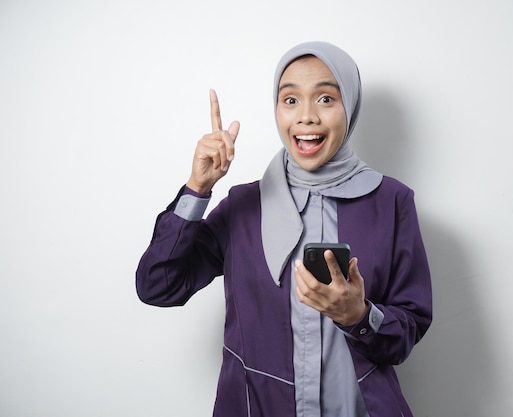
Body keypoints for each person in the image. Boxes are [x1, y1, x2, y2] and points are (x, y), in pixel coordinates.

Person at [136, 41, 432, 417]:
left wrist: (359, 316)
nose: (306, 116)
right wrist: (198, 188)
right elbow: (158, 286)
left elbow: (408, 329)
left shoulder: (391, 201)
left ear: (351, 106)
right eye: (290, 100)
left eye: (325, 98)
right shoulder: (242, 207)